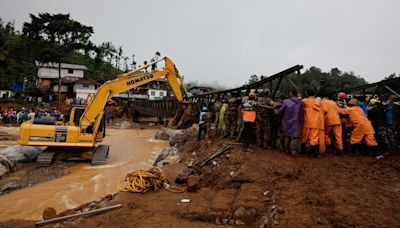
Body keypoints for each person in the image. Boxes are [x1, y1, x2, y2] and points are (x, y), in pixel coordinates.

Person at [274, 90, 304, 155]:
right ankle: (293, 150)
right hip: (297, 122)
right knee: (295, 136)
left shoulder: (287, 101)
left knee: (287, 135)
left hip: (287, 122)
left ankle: (287, 149)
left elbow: (280, 111)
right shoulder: (301, 102)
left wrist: (275, 110)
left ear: (291, 93)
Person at [301, 90, 326, 158]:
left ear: (307, 94)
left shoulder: (304, 101)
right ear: (314, 95)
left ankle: (302, 152)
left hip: (306, 122)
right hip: (316, 123)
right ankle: (312, 154)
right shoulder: (319, 102)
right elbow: (325, 110)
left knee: (304, 137)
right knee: (314, 138)